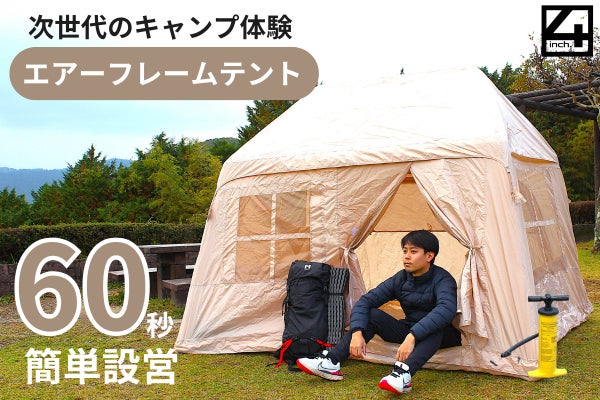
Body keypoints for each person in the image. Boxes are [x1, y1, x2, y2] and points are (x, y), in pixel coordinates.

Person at [296, 229, 461, 395]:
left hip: (441, 336)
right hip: (409, 328)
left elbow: (445, 310)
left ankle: (403, 374)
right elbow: (366, 301)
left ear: (429, 256)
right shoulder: (401, 278)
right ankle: (331, 362)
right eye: (404, 251)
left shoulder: (443, 279)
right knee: (372, 314)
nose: (406, 256)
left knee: (436, 327)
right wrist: (357, 332)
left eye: (413, 252)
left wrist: (413, 336)